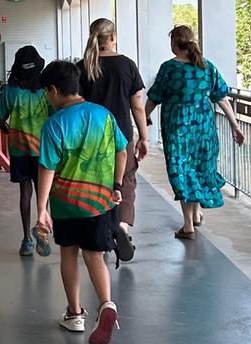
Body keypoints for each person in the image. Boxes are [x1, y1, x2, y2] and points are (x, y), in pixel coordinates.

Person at [36, 60, 128, 344]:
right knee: (95, 256)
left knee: (68, 254)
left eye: (46, 94)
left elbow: (47, 168)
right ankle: (106, 305)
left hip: (66, 205)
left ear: (53, 90)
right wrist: (116, 184)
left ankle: (75, 314)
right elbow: (122, 151)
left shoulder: (54, 124)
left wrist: (41, 209)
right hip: (100, 202)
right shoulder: (104, 115)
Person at [145, 25, 244, 240]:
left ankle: (188, 224)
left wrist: (143, 117)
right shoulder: (207, 67)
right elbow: (222, 98)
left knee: (182, 169)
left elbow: (154, 96)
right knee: (198, 167)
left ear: (174, 44)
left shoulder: (169, 68)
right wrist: (234, 125)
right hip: (203, 127)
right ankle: (196, 213)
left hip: (177, 127)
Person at [77, 18, 148, 262]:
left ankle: (103, 234)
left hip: (91, 138)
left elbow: (76, 106)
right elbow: (137, 105)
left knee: (97, 183)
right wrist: (143, 137)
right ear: (113, 37)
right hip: (122, 137)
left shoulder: (83, 66)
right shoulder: (126, 65)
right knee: (125, 181)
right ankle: (123, 227)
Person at [0, 45, 50, 256]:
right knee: (43, 194)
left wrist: (7, 127)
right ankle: (42, 233)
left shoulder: (9, 91)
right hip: (44, 149)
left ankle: (26, 240)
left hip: (19, 150)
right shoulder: (46, 91)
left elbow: (1, 120)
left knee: (25, 192)